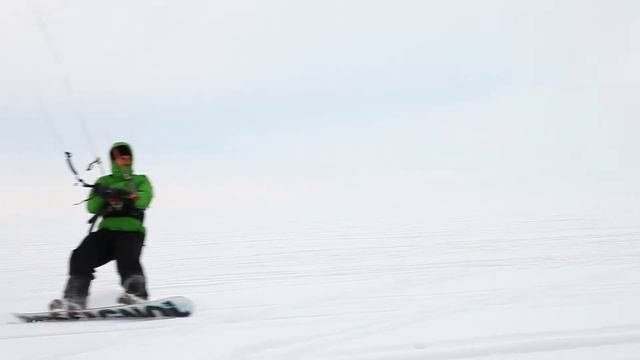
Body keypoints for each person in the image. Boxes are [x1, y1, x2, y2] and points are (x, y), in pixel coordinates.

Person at [50, 142, 154, 310]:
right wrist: (102, 194)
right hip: (106, 234)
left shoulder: (140, 180)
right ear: (114, 161)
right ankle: (74, 300)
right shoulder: (103, 181)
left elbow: (144, 198)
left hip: (130, 233)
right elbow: (91, 207)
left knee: (127, 260)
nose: (126, 161)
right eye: (121, 158)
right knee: (80, 256)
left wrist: (124, 194)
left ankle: (137, 297)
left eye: (128, 158)